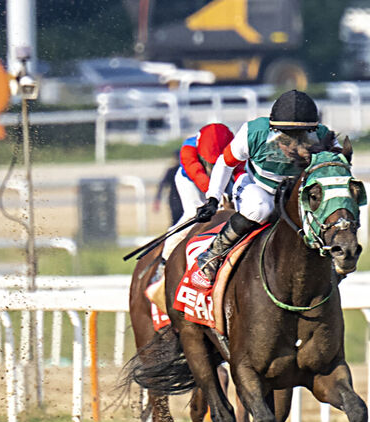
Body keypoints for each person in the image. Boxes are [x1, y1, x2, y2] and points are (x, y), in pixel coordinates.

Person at [194, 90, 342, 283]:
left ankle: (335, 261)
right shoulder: (252, 132)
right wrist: (213, 198)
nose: (294, 145)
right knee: (261, 208)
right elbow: (224, 163)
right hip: (257, 188)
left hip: (295, 195)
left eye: (302, 137)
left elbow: (339, 168)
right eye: (287, 137)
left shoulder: (325, 136)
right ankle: (213, 254)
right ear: (274, 130)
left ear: (313, 131)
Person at [146, 122, 244, 304]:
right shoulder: (188, 150)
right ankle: (163, 267)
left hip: (222, 179)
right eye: (211, 162)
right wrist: (213, 199)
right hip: (190, 181)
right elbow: (198, 174)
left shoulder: (236, 148)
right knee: (193, 217)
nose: (214, 166)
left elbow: (240, 173)